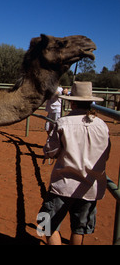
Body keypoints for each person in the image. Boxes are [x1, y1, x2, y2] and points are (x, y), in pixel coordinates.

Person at [37, 81, 111, 245]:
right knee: (79, 229)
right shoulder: (102, 125)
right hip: (90, 186)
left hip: (63, 185)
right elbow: (106, 153)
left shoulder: (63, 123)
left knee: (47, 224)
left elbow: (50, 151)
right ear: (91, 101)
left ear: (72, 101)